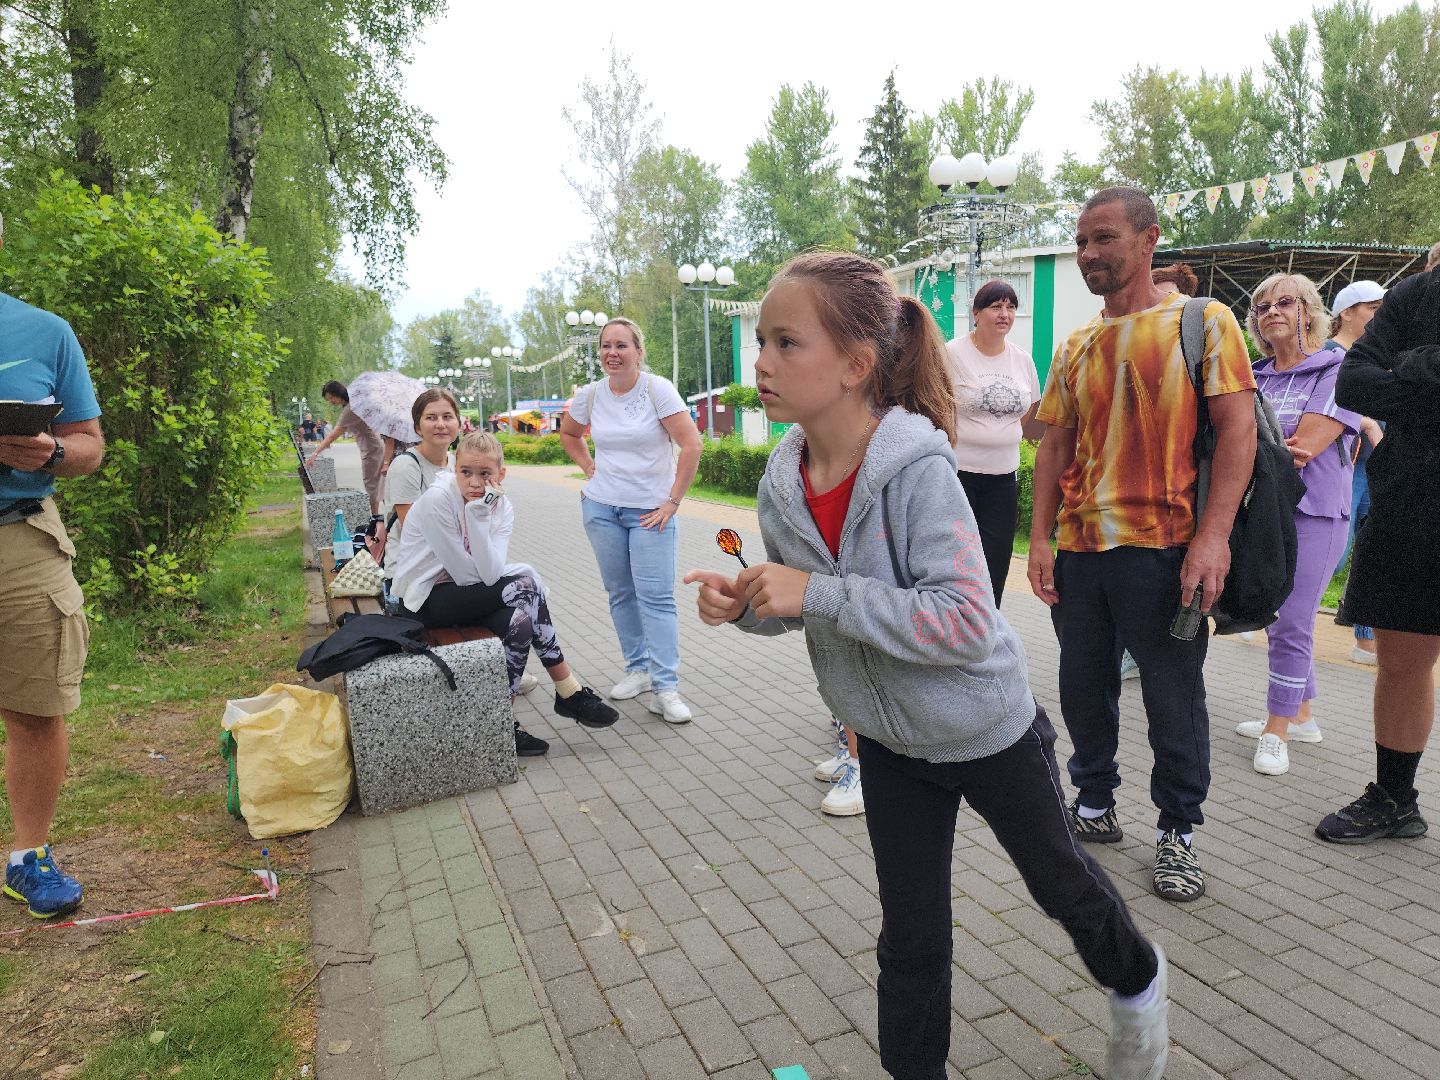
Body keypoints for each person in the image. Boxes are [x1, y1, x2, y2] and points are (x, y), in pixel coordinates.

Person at [685, 251, 1168, 1080]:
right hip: (890, 746)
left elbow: (967, 622)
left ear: (854, 365)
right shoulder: (781, 482)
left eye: (785, 343)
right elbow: (812, 612)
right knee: (910, 939)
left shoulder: (916, 470)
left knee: (1064, 888)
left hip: (987, 732)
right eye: (762, 341)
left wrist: (816, 593)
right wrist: (750, 604)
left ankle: (1138, 983)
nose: (760, 362)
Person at [1028, 187, 1257, 903]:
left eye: (1104, 239)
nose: (1089, 254)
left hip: (1166, 551)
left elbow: (1239, 433)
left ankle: (1178, 832)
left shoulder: (1203, 322)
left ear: (1148, 238)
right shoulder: (1076, 342)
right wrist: (1039, 537)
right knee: (1083, 689)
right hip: (1082, 552)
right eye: (1081, 242)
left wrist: (1212, 538)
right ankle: (1094, 807)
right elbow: (1055, 445)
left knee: (1172, 699)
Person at [0, 218, 106, 918]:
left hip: (19, 537)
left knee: (36, 709)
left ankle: (25, 858)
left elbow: (90, 443)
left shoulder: (44, 331)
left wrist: (52, 456)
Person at [391, 432, 620, 755]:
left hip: (467, 595)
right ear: (454, 468)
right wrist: (476, 516)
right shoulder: (437, 500)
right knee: (526, 586)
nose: (473, 483)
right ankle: (568, 690)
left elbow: (488, 573)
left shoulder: (500, 506)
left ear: (500, 475)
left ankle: (501, 722)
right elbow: (468, 574)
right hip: (425, 600)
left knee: (520, 621)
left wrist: (479, 516)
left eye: (484, 474)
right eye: (465, 472)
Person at [1316, 265, 1439, 843]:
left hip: (1412, 479)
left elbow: (1384, 378)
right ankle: (1395, 798)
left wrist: (1414, 364)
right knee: (1401, 658)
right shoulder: (1419, 290)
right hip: (1413, 498)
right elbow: (1354, 384)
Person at [1227, 275, 1360, 775]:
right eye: (1261, 306)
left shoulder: (1337, 369)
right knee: (1277, 614)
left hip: (1316, 512)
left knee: (1292, 621)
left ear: (1311, 311)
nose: (1271, 312)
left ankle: (1276, 730)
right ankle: (1301, 715)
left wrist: (1257, 447)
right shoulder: (1253, 374)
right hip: (1263, 512)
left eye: (1285, 302)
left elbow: (1303, 448)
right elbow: (1246, 441)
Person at [560, 317, 704, 725]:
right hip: (602, 508)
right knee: (621, 593)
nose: (612, 353)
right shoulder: (591, 395)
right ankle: (637, 670)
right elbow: (569, 435)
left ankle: (666, 688)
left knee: (656, 598)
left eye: (621, 345)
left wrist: (673, 502)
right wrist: (589, 467)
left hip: (650, 514)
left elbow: (691, 445)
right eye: (606, 346)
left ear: (639, 352)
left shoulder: (657, 390)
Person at [945, 279, 1044, 607]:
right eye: (996, 306)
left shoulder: (1021, 359)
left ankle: (986, 632)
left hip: (1003, 478)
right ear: (976, 313)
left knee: (996, 561)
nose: (1005, 314)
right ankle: (952, 628)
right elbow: (934, 404)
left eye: (1011, 307)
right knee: (957, 560)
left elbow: (1030, 409)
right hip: (958, 476)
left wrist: (1000, 435)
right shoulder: (951, 353)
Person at [1324, 281, 1387, 664]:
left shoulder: (1377, 358)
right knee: (1336, 552)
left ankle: (1365, 640)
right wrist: (1367, 423)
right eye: (1372, 308)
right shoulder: (1331, 355)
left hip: (1372, 471)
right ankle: (1275, 615)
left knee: (1369, 553)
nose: (1380, 317)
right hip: (1342, 466)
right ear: (1346, 312)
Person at [382, 388, 459, 573]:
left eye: (447, 417)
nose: (440, 424)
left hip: (449, 564)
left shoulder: (457, 464)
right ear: (418, 427)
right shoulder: (406, 466)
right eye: (431, 418)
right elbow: (413, 530)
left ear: (458, 423)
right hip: (411, 572)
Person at [307, 380, 390, 517]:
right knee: (378, 482)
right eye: (328, 399)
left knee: (372, 483)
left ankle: (376, 518)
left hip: (372, 449)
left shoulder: (350, 409)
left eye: (331, 397)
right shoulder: (352, 404)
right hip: (372, 447)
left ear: (338, 393)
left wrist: (316, 452)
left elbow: (332, 435)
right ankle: (386, 516)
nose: (331, 401)